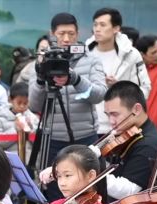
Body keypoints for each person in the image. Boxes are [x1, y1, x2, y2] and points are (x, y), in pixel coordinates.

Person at [29, 13, 107, 173]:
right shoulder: (43, 61)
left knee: (87, 186)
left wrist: (76, 79)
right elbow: (34, 105)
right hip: (52, 138)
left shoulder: (91, 60)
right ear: (52, 34)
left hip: (85, 136)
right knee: (53, 187)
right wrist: (40, 78)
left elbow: (99, 95)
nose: (66, 39)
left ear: (77, 34)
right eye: (61, 34)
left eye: (71, 34)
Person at [86, 8, 152, 136]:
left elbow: (145, 89)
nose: (97, 29)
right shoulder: (85, 53)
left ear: (116, 28)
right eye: (95, 24)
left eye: (103, 25)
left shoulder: (131, 54)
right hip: (89, 128)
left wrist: (120, 87)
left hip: (122, 128)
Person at [0, 82, 40, 158]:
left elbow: (40, 142)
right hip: (8, 160)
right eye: (19, 103)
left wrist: (31, 129)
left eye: (25, 103)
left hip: (29, 159)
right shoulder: (1, 119)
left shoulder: (33, 118)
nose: (22, 106)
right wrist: (15, 129)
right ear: (10, 100)